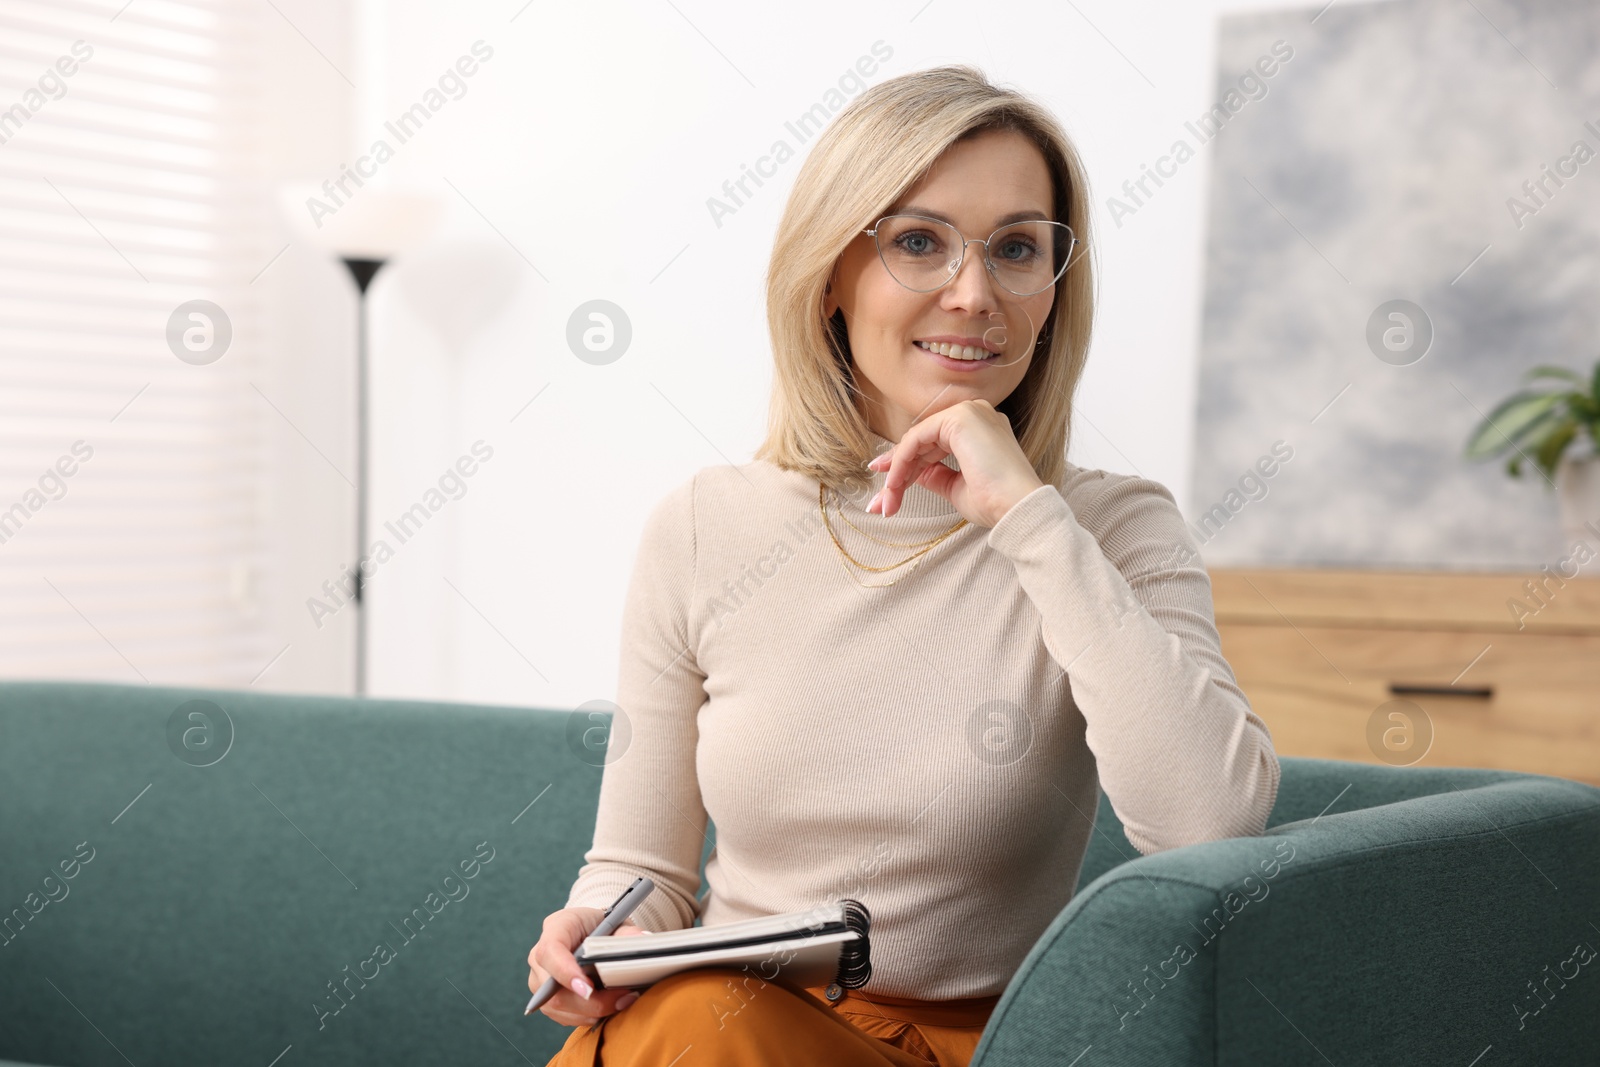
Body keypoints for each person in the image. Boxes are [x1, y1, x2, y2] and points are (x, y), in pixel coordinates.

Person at [528, 63, 1280, 1067]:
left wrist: (1026, 515)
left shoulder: (1108, 528)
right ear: (832, 272)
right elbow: (643, 867)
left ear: (1055, 290)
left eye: (1017, 249)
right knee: (693, 1017)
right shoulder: (706, 525)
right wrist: (597, 930)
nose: (973, 294)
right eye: (918, 241)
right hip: (720, 1023)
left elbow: (1209, 824)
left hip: (962, 1048)